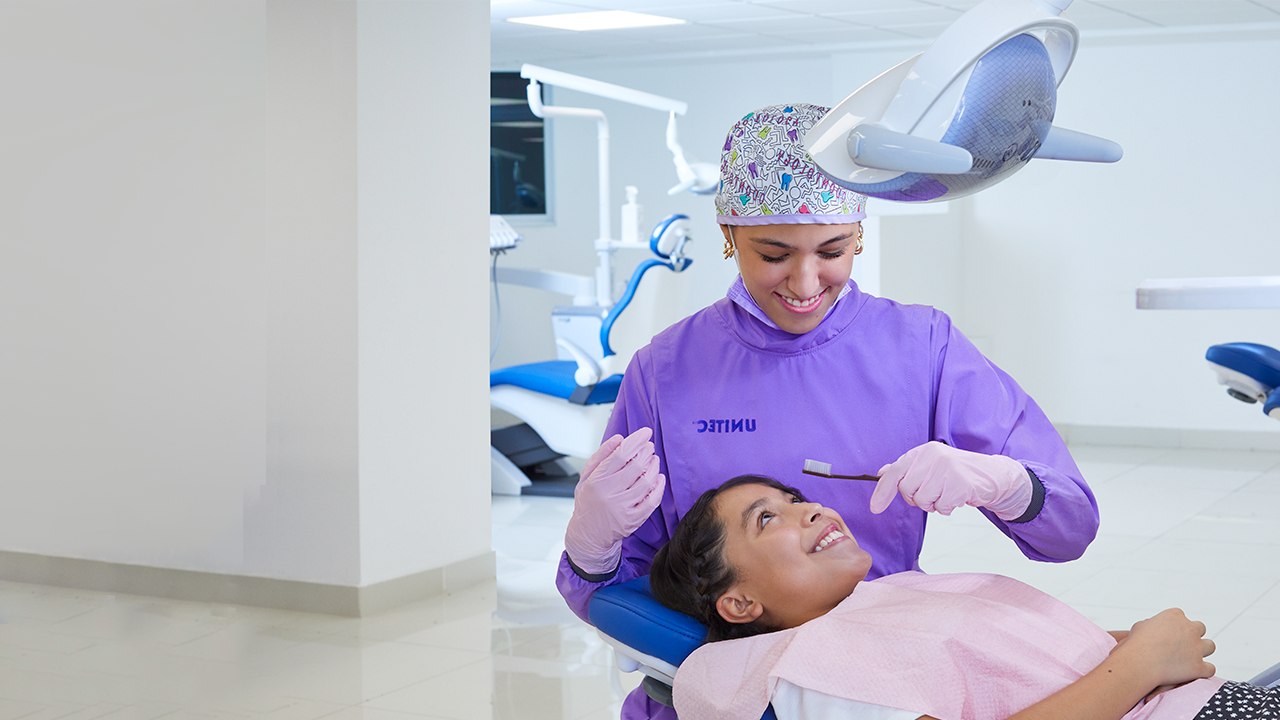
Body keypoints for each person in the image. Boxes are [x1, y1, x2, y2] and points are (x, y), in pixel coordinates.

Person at [556, 103, 1101, 720]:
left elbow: (1071, 530)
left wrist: (1007, 484)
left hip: (885, 671)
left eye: (833, 249)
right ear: (729, 235)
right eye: (774, 253)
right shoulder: (667, 369)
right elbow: (623, 600)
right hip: (733, 692)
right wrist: (590, 546)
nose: (806, 281)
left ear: (859, 233)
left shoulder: (921, 346)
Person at [650, 476, 1271, 720]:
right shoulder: (806, 672)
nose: (808, 508)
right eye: (767, 519)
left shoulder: (887, 598)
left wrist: (1127, 645)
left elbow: (1003, 662)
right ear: (737, 604)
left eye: (794, 499)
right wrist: (1137, 667)